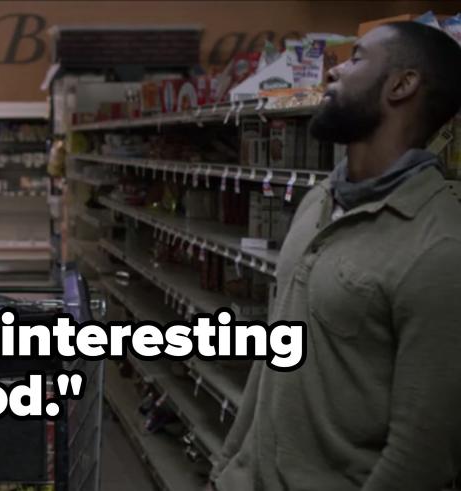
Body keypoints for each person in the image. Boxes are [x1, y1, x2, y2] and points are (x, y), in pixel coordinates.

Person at [210, 21, 461, 490]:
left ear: (402, 85)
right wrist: (225, 469)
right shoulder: (318, 200)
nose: (333, 71)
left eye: (357, 58)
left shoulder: (441, 248)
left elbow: (421, 457)